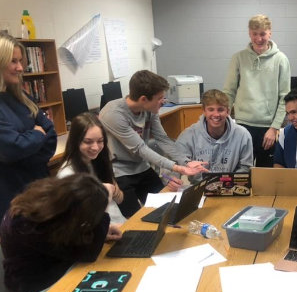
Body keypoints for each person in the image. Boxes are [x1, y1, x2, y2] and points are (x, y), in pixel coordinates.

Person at [99, 70, 208, 218]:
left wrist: (186, 162)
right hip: (120, 172)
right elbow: (140, 148)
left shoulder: (150, 109)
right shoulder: (113, 114)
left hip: (141, 167)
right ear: (144, 99)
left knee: (166, 210)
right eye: (160, 98)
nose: (163, 101)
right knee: (134, 218)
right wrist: (177, 168)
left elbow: (162, 139)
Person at [0, 34, 57, 221]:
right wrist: (36, 137)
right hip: (12, 193)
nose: (20, 67)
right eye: (13, 61)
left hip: (39, 185)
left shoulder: (22, 96)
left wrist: (26, 149)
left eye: (20, 61)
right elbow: (12, 148)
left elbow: (50, 133)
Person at [223, 14, 290, 167]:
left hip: (268, 128)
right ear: (249, 33)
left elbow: (284, 97)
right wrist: (226, 118)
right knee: (240, 173)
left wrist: (274, 128)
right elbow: (229, 91)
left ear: (269, 33)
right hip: (242, 124)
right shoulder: (238, 58)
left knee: (263, 176)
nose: (258, 38)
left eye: (262, 34)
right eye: (254, 34)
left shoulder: (281, 59)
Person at [57, 112, 126, 224]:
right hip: (99, 233)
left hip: (119, 223)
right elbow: (76, 221)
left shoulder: (98, 162)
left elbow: (120, 199)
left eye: (100, 141)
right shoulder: (67, 175)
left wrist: (114, 191)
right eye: (88, 142)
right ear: (75, 141)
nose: (95, 147)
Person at [175, 89, 253, 183]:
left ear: (228, 111)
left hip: (229, 186)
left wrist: (228, 182)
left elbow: (245, 167)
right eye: (211, 109)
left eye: (220, 110)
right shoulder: (188, 135)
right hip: (198, 186)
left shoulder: (243, 135)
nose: (216, 115)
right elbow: (175, 161)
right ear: (203, 111)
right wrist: (172, 180)